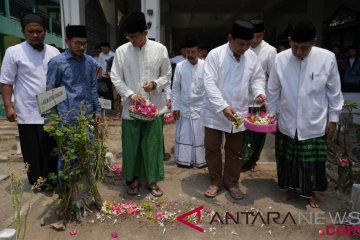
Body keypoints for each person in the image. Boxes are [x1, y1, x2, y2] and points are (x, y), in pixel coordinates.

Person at [267, 22, 344, 208]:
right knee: (288, 160)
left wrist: (333, 119)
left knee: (313, 161)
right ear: (290, 41)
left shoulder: (327, 58)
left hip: (314, 120)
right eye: (295, 47)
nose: (299, 52)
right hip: (287, 119)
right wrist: (271, 116)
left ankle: (311, 193)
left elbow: (334, 92)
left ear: (313, 42)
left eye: (304, 48)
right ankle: (290, 189)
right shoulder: (280, 59)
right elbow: (272, 90)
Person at [202, 20, 266, 200]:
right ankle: (215, 181)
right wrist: (222, 106)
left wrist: (259, 93)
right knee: (212, 148)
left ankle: (231, 181)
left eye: (248, 44)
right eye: (240, 44)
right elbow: (209, 83)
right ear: (230, 38)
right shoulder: (215, 55)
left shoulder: (252, 57)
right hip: (215, 111)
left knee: (235, 150)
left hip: (238, 111)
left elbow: (257, 79)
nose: (244, 48)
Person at [111, 12, 171, 197]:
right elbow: (115, 76)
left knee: (151, 145)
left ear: (146, 32)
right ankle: (133, 179)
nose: (131, 40)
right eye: (128, 36)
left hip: (154, 108)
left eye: (134, 36)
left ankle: (151, 181)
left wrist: (154, 84)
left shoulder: (160, 49)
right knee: (132, 147)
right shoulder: (122, 51)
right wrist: (130, 94)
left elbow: (167, 74)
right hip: (131, 109)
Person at [0, 13, 60, 186]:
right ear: (23, 31)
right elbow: (6, 83)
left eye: (39, 31)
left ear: (45, 31)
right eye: (30, 31)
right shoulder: (14, 52)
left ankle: (52, 180)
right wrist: (9, 107)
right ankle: (37, 182)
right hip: (26, 109)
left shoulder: (54, 52)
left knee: (50, 147)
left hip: (50, 108)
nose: (35, 35)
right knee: (32, 149)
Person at [242, 19, 277, 172]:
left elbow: (273, 79)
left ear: (263, 34)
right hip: (241, 100)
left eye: (259, 36)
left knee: (257, 134)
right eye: (253, 36)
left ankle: (253, 159)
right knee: (242, 132)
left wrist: (268, 100)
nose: (255, 40)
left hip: (259, 100)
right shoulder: (243, 47)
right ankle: (242, 159)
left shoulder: (270, 51)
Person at [171, 38, 206, 168]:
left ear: (199, 52)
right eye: (188, 52)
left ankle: (200, 161)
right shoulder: (180, 66)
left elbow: (209, 88)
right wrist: (176, 107)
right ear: (185, 52)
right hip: (184, 107)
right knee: (185, 135)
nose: (191, 55)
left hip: (201, 108)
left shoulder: (205, 65)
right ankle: (184, 160)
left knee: (200, 136)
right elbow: (175, 88)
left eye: (193, 52)